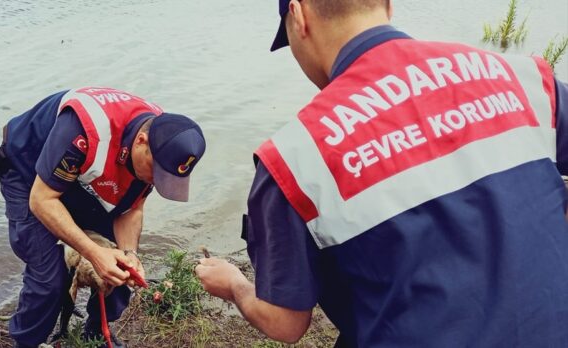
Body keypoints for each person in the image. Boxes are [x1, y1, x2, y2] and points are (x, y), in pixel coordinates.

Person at [196, 0, 568, 346]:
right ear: (387, 4)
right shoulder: (524, 78)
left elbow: (286, 323)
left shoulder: (294, 158)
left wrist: (234, 284)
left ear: (298, 16)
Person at [0, 86, 206, 348]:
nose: (154, 181)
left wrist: (130, 254)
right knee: (50, 277)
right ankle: (26, 343)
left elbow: (132, 210)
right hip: (28, 174)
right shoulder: (85, 129)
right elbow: (42, 200)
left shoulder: (165, 145)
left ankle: (95, 334)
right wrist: (92, 252)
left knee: (120, 267)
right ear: (141, 142)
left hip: (81, 175)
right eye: (155, 173)